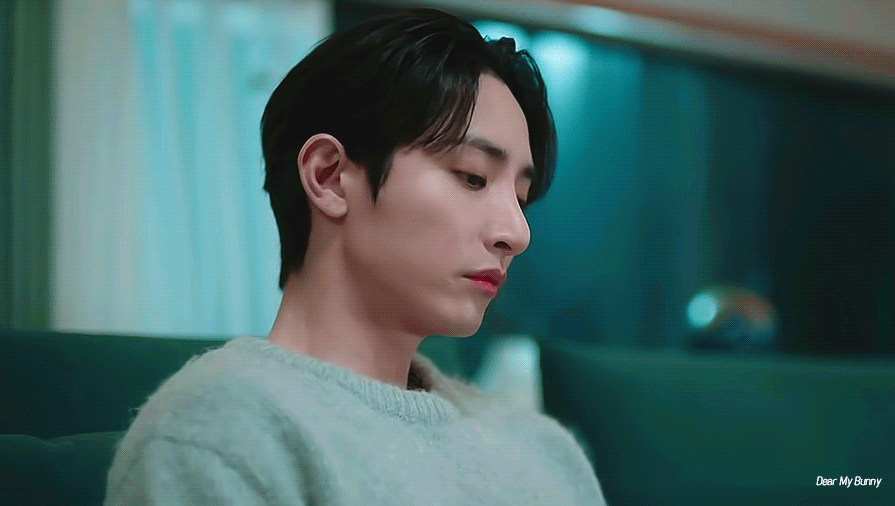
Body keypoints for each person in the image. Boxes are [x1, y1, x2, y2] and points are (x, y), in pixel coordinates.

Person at [104, 8, 607, 505]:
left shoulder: (546, 450)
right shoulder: (221, 434)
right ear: (329, 177)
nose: (517, 234)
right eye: (472, 177)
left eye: (520, 198)